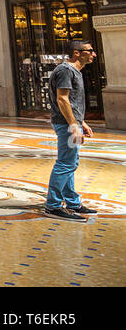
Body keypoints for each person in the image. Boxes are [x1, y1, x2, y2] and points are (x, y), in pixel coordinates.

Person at [45, 40, 97, 221]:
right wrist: (73, 125)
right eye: (90, 51)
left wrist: (80, 122)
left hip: (70, 122)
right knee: (66, 163)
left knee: (70, 162)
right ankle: (53, 206)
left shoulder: (74, 71)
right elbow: (62, 99)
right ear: (77, 53)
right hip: (65, 124)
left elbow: (71, 102)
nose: (93, 54)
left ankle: (72, 202)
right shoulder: (66, 71)